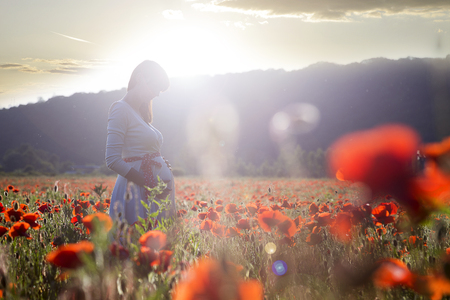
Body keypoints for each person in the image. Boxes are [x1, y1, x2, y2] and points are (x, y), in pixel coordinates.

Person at [106, 60, 176, 225]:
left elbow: (144, 150)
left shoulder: (141, 114)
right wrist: (149, 183)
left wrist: (160, 162)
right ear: (140, 78)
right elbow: (112, 159)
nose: (157, 94)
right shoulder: (120, 109)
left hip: (154, 191)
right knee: (137, 242)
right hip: (138, 191)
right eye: (155, 87)